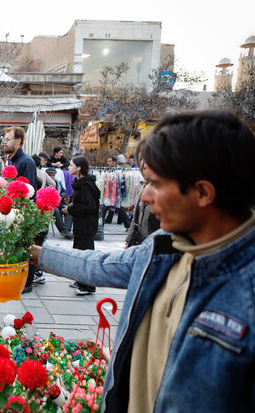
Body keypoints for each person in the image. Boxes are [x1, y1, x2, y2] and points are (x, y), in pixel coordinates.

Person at [31, 111, 255, 412]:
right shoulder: (164, 249)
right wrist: (36, 254)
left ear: (203, 192)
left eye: (156, 184)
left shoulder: (246, 293)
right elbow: (99, 265)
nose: (145, 197)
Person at [2, 126, 38, 293]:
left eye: (8, 139)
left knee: (25, 247)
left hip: (22, 211)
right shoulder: (12, 160)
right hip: (12, 210)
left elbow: (28, 192)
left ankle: (27, 283)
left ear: (18, 141)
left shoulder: (26, 162)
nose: (5, 142)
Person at [61, 156, 100, 295]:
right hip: (80, 224)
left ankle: (88, 285)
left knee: (85, 254)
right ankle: (80, 280)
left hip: (86, 225)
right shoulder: (80, 183)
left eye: (71, 165)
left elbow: (89, 207)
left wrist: (71, 209)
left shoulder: (86, 185)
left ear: (79, 168)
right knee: (79, 252)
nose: (69, 168)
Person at [125, 160, 160, 248]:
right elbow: (135, 219)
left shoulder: (160, 190)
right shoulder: (142, 188)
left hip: (153, 241)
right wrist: (129, 240)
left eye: (146, 168)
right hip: (140, 239)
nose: (145, 171)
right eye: (143, 168)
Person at [47, 167, 73, 239]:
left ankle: (66, 229)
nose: (51, 177)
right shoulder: (44, 183)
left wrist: (61, 196)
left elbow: (64, 192)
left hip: (59, 203)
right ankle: (63, 230)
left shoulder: (57, 182)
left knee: (69, 209)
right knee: (55, 211)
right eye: (50, 175)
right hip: (50, 205)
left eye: (53, 175)